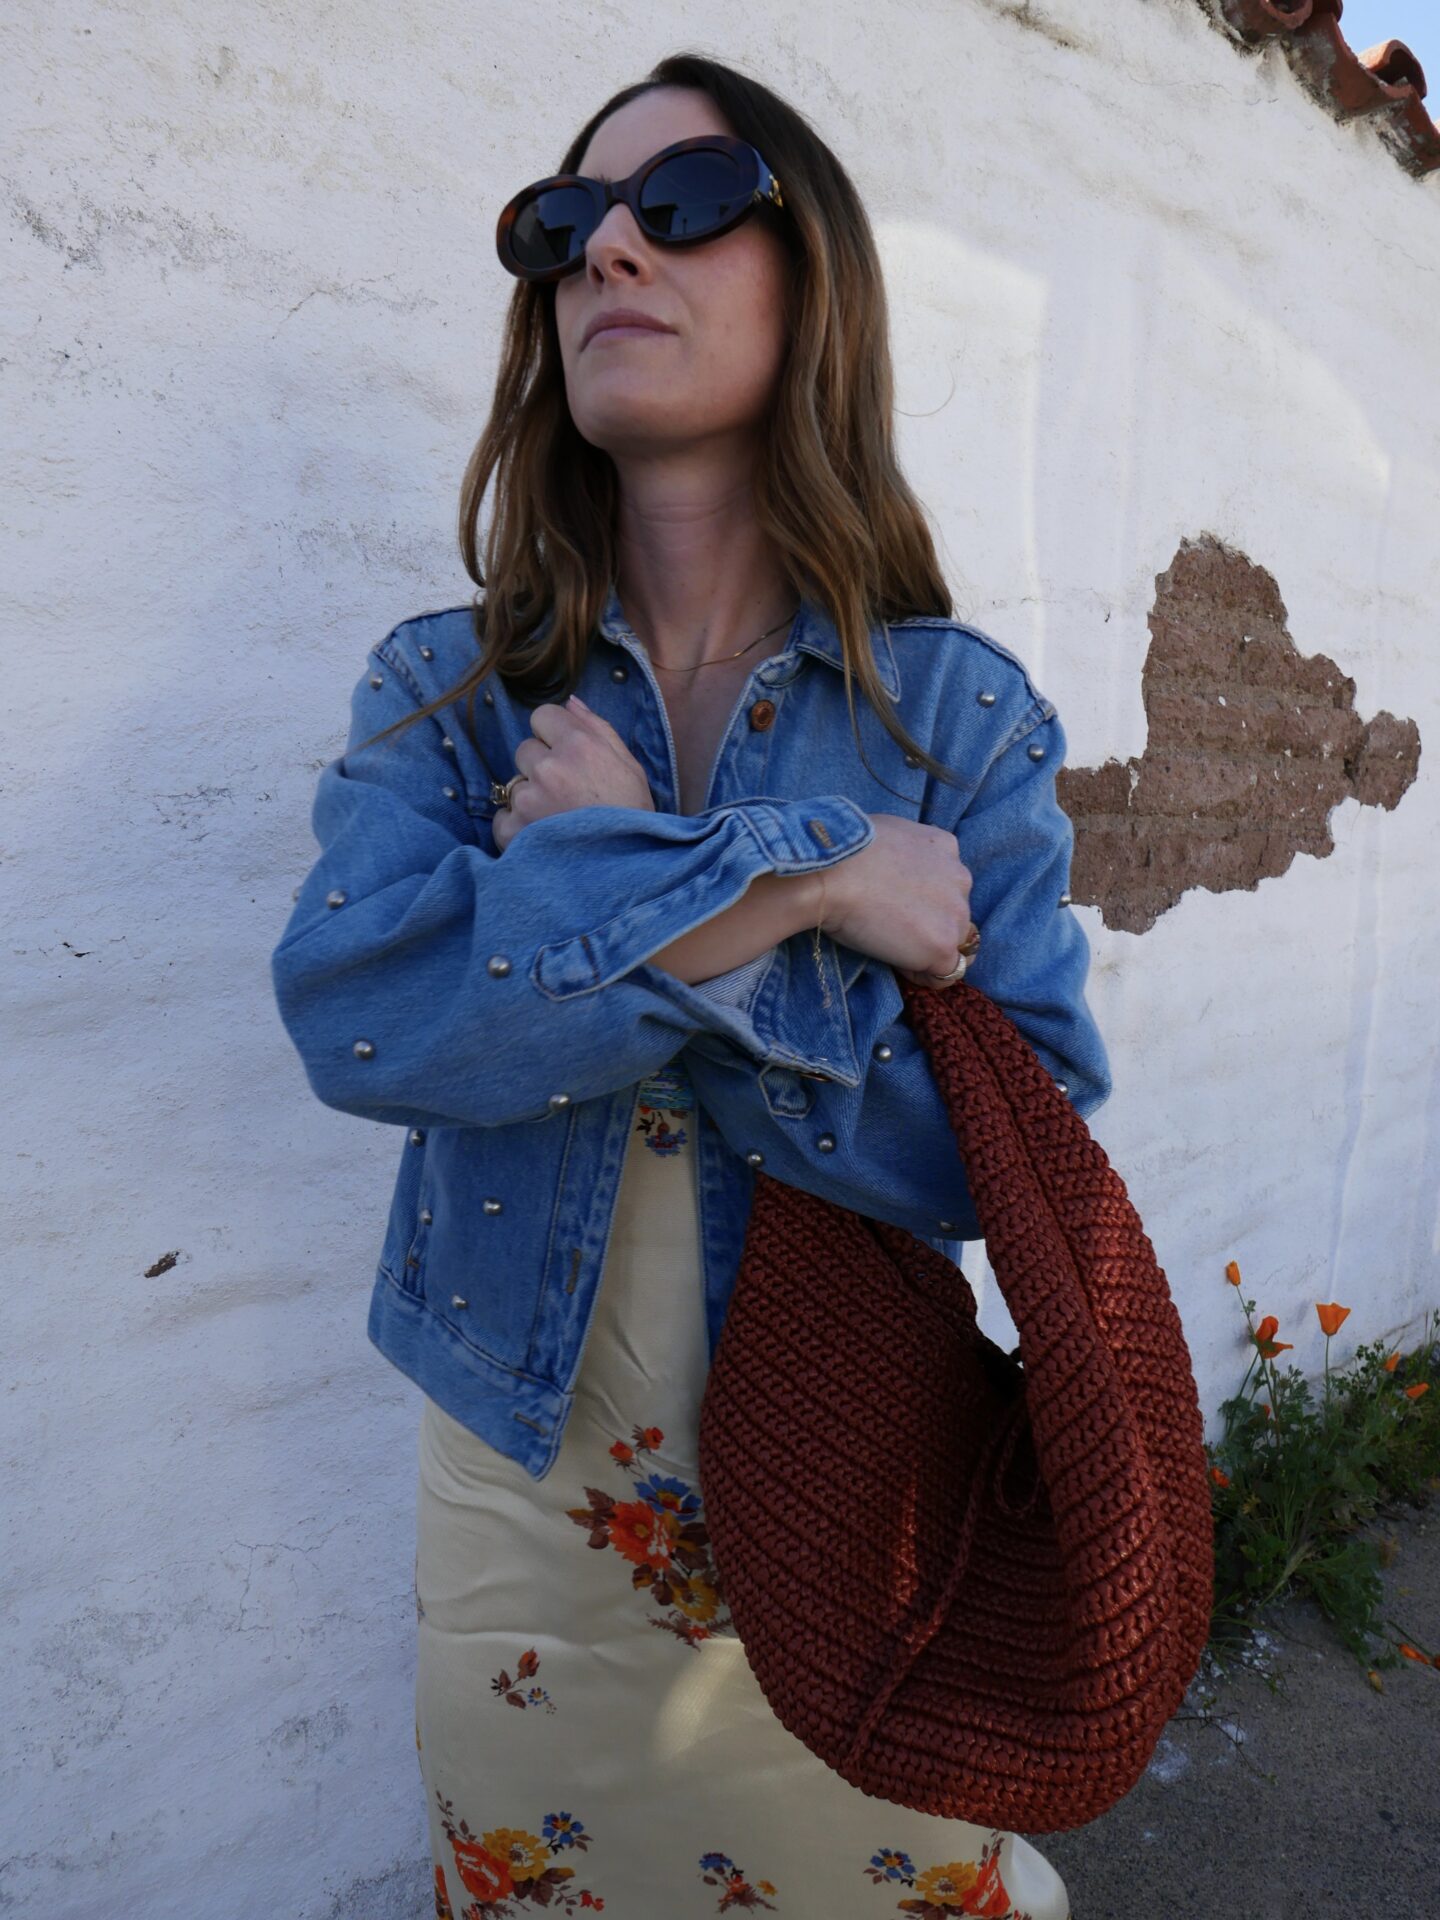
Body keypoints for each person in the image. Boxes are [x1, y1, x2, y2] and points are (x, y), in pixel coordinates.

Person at [271, 50, 1110, 1920]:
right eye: (564, 224)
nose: (609, 253)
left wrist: (607, 888)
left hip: (859, 1479)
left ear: (817, 278)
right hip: (522, 1489)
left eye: (688, 201)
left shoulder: (956, 715)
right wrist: (788, 880)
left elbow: (1010, 1145)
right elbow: (365, 1017)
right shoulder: (446, 688)